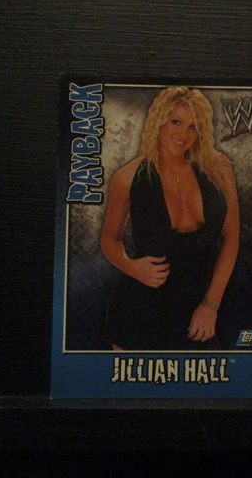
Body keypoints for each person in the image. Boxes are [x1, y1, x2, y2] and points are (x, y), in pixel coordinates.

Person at [100, 86, 239, 350]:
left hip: (198, 313)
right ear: (159, 121)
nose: (183, 134)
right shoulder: (126, 178)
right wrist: (130, 266)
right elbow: (109, 239)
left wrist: (211, 304)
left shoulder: (218, 169)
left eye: (193, 127)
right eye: (176, 122)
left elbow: (231, 237)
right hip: (137, 313)